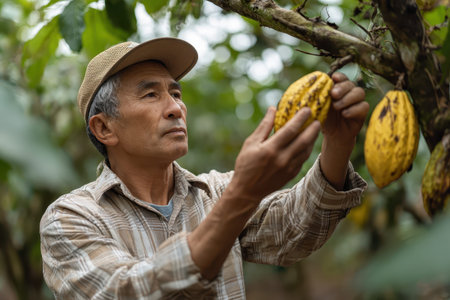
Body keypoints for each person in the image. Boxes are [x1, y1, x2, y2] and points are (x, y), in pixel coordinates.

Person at [40, 37, 368, 299]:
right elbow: (128, 291)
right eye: (151, 94)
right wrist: (242, 196)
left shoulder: (215, 193)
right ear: (104, 129)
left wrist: (337, 144)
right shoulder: (70, 219)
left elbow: (295, 232)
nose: (175, 108)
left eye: (176, 93)